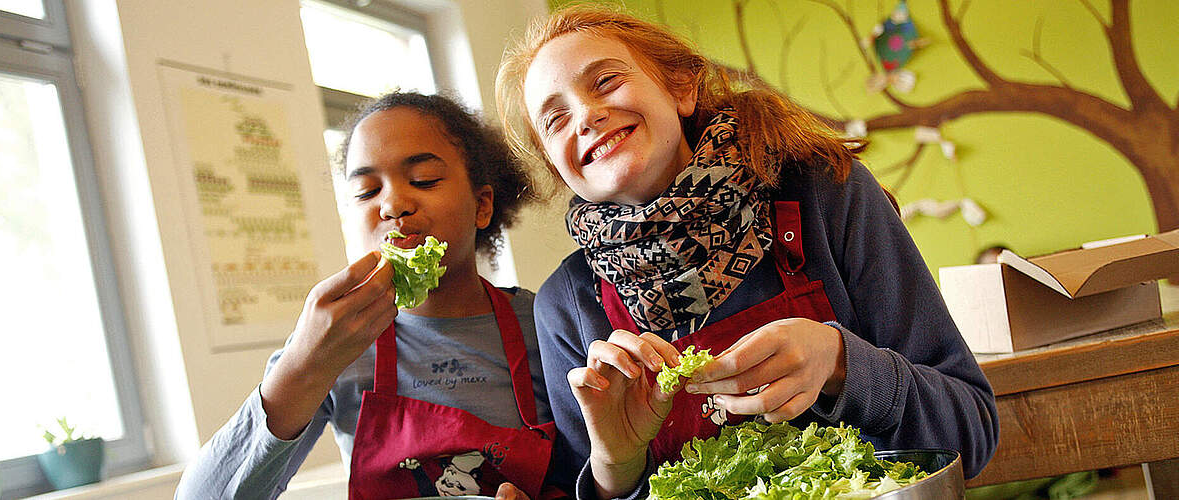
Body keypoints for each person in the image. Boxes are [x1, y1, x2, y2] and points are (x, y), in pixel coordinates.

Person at [495, 6, 998, 498]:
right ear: (555, 164)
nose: (586, 116)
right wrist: (616, 467)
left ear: (681, 88)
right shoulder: (567, 306)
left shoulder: (826, 194)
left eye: (606, 81)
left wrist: (842, 363)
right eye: (555, 119)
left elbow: (971, 432)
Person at [176, 92, 560, 499]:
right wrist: (304, 364)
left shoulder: (546, 324)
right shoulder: (333, 342)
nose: (392, 204)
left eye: (424, 180)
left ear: (482, 206)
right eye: (365, 191)